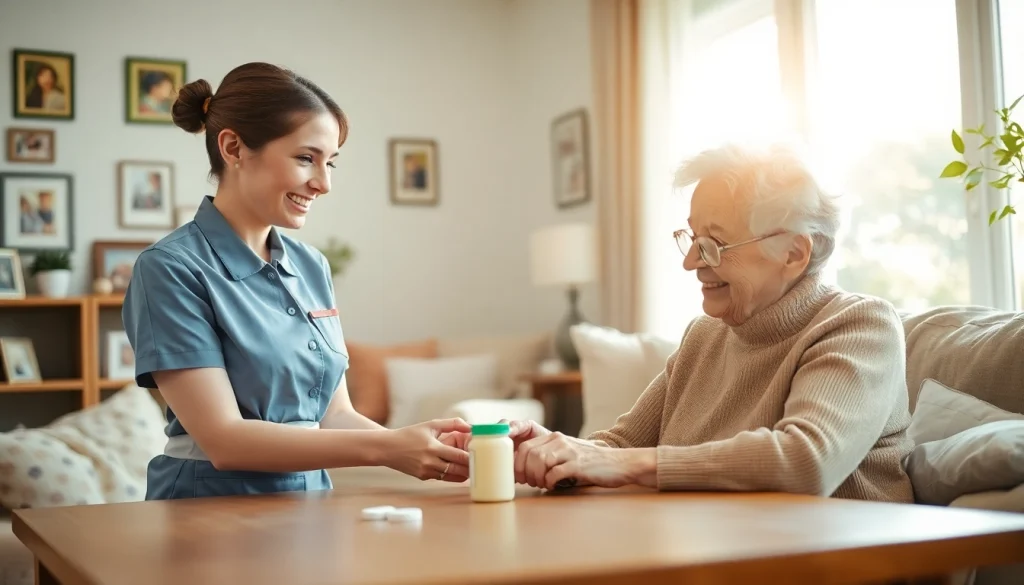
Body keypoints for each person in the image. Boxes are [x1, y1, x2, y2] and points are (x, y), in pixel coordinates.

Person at [122, 62, 470, 500]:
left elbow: (334, 415)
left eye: (331, 163)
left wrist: (423, 443)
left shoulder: (311, 266)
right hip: (208, 509)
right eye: (306, 158)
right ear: (233, 148)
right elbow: (224, 440)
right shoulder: (170, 269)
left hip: (310, 503)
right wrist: (388, 447)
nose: (323, 183)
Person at [501, 143, 916, 503]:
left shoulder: (860, 326)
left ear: (793, 253)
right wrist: (552, 450)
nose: (690, 262)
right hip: (719, 554)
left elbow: (806, 461)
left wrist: (617, 462)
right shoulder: (704, 336)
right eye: (692, 238)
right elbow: (620, 447)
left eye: (713, 245)